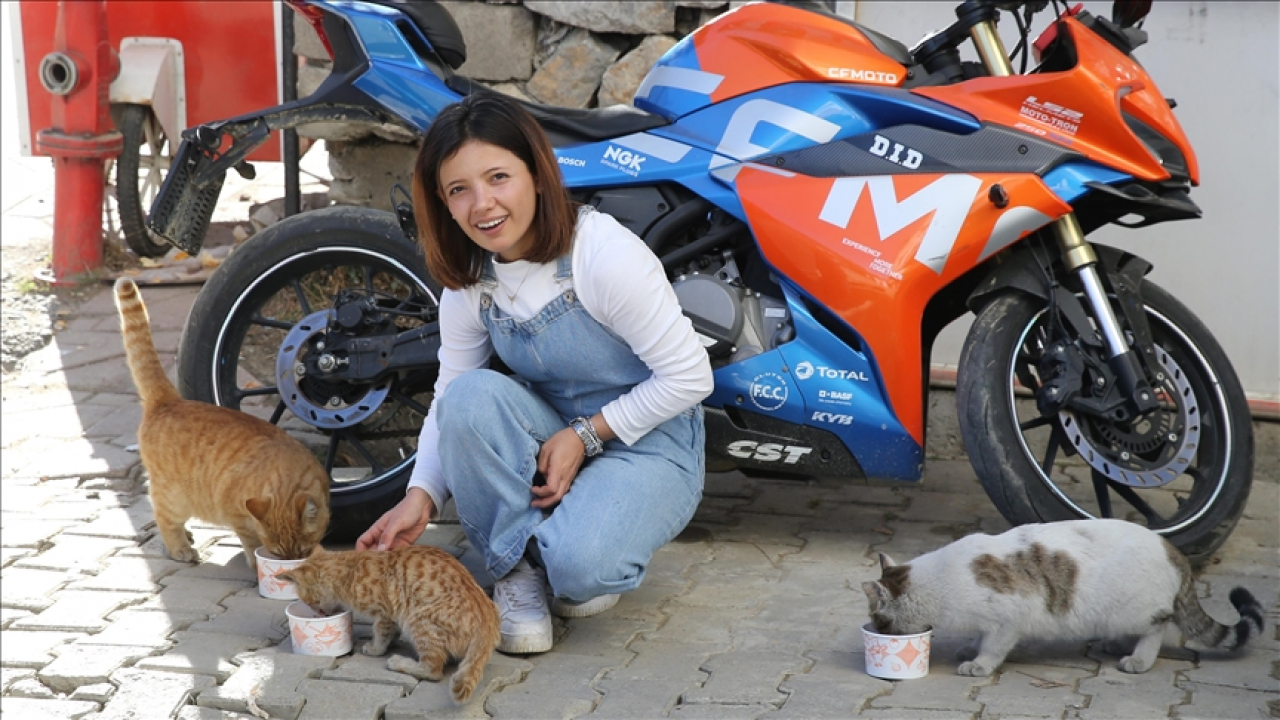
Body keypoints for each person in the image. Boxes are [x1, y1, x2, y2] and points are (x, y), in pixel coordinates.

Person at [356, 91, 714, 654]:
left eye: (498, 177)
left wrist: (585, 434)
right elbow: (450, 399)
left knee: (580, 569)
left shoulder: (603, 255)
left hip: (650, 443)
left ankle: (571, 556)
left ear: (538, 176)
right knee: (469, 397)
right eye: (459, 189)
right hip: (548, 435)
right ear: (442, 203)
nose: (482, 205)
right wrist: (421, 495)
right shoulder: (471, 283)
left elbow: (691, 378)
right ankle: (516, 571)